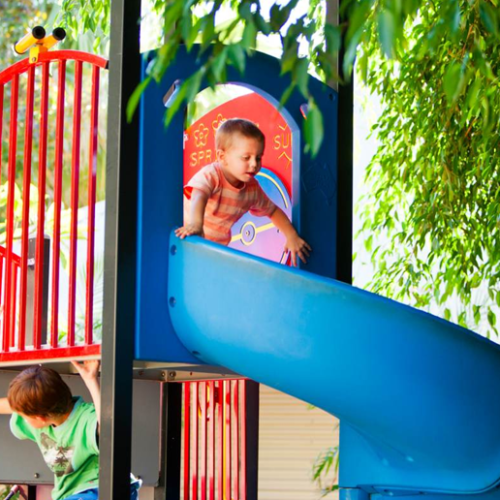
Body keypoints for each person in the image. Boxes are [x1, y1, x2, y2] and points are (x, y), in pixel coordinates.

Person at [176, 118, 311, 266]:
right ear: (222, 157)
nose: (254, 164)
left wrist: (291, 235)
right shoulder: (212, 175)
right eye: (246, 158)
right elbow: (198, 195)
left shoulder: (252, 189)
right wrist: (196, 224)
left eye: (258, 158)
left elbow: (272, 211)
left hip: (215, 248)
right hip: (187, 236)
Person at [0, 361, 140, 500]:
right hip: (72, 494)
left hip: (102, 488)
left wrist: (91, 381)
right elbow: (11, 405)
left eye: (23, 416)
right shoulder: (41, 419)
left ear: (40, 417)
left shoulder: (85, 417)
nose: (20, 417)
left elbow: (108, 428)